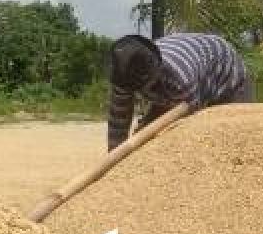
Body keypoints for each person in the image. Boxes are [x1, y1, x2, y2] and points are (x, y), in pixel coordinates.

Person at [107, 32, 254, 151]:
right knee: (143, 139)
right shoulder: (124, 72)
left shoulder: (181, 79)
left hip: (226, 71)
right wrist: (114, 159)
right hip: (187, 71)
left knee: (236, 137)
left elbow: (188, 122)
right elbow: (117, 123)